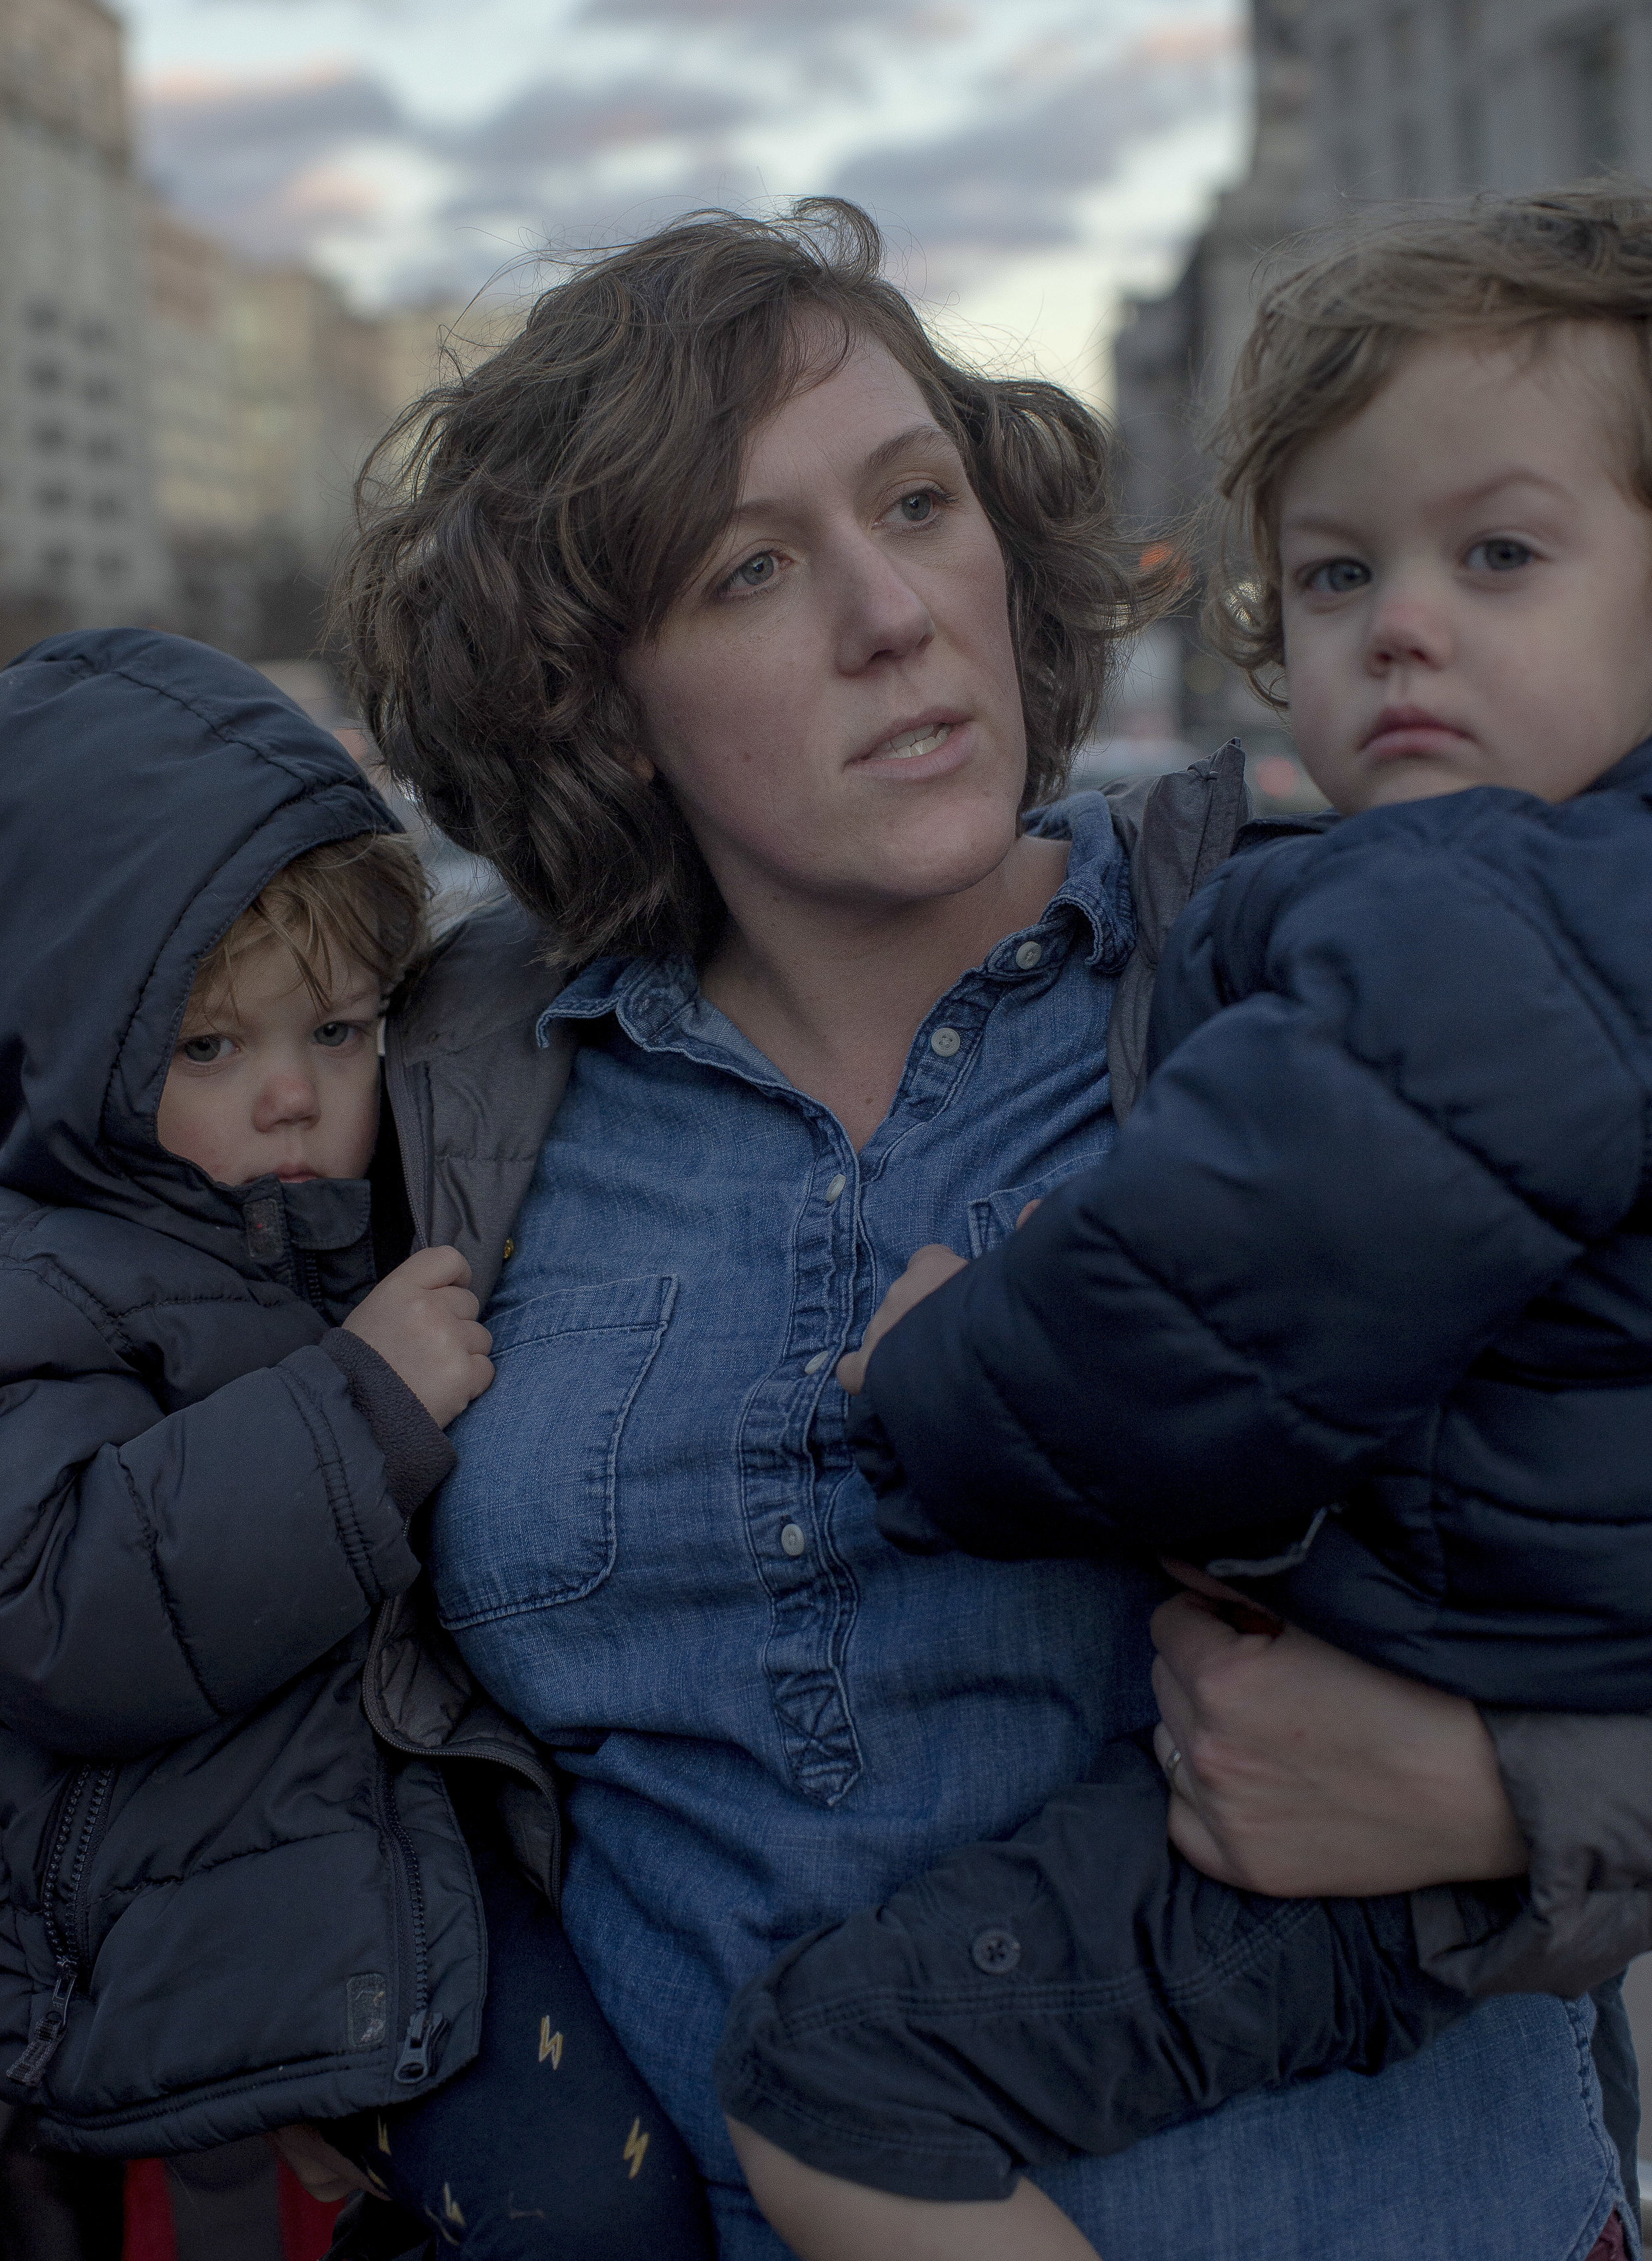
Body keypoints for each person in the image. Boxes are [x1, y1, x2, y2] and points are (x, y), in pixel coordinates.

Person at [337, 196, 1647, 2260]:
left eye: (917, 500)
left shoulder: (1351, 963)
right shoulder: (448, 1090)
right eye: (750, 566)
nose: (888, 612)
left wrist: (1525, 1792)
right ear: (597, 695)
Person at [0, 630, 710, 2260]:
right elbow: (59, 1603)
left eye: (334, 1032)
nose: (290, 1100)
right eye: (209, 1049)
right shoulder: (44, 1277)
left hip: (373, 1843)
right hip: (185, 1908)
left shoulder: (334, 1214)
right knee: (577, 2209)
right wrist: (363, 1408)